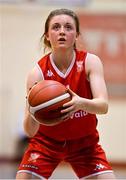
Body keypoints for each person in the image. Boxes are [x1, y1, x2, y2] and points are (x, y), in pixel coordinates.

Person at [16, 9, 116, 179]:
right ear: (47, 35)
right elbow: (30, 132)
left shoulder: (90, 62)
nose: (62, 31)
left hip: (85, 144)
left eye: (68, 27)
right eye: (56, 27)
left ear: (76, 35)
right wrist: (33, 110)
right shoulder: (37, 73)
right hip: (46, 144)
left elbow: (103, 106)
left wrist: (80, 103)